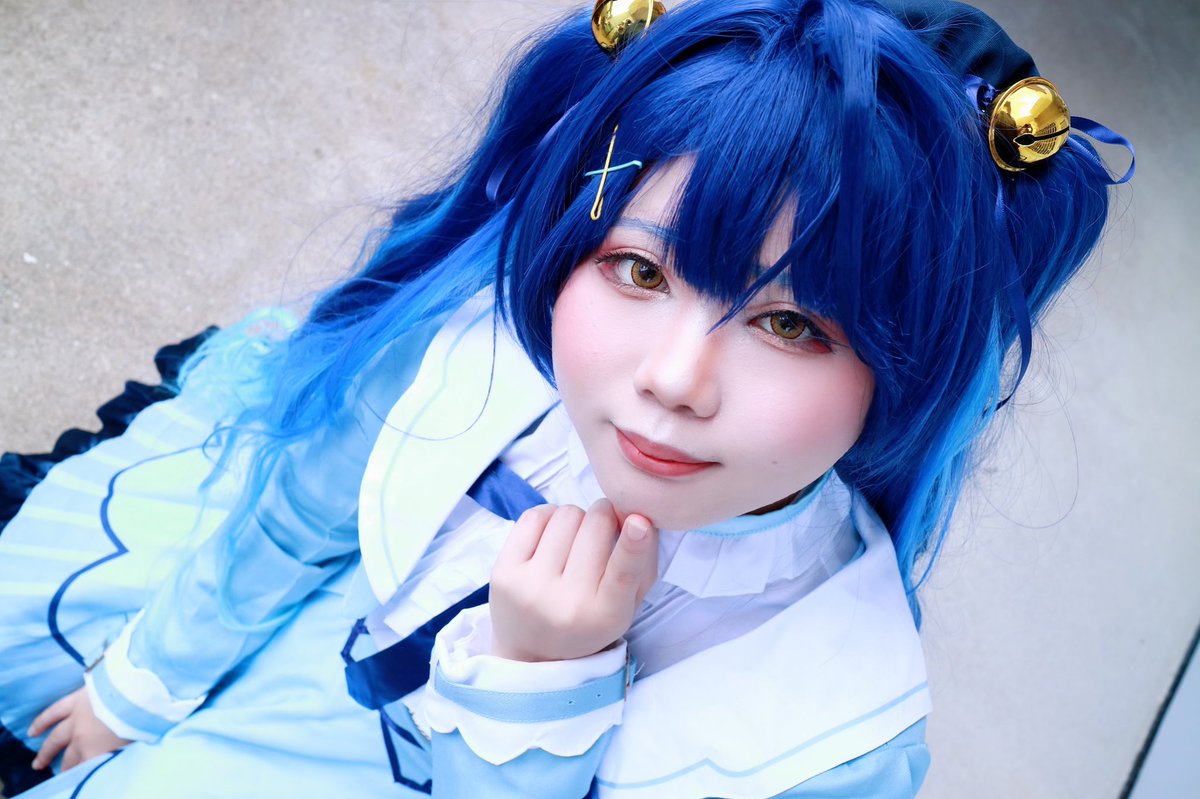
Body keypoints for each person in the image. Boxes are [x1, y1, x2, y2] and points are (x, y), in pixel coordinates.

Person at [0, 0, 1132, 796]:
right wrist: (138, 690)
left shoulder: (834, 729)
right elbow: (298, 512)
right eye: (639, 269)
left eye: (792, 325)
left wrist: (541, 685)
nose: (674, 379)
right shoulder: (470, 350)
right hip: (295, 648)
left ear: (920, 365)